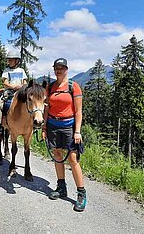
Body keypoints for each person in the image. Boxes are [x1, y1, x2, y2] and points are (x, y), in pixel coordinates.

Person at [42, 57, 87, 212]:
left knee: (73, 159)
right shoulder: (50, 87)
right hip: (53, 125)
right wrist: (43, 127)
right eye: (56, 68)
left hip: (69, 126)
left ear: (66, 69)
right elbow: (47, 109)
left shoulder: (74, 87)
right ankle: (61, 187)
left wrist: (77, 131)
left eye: (61, 68)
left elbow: (79, 111)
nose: (58, 70)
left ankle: (81, 193)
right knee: (57, 155)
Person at [0, 50, 27, 132]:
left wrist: (22, 87)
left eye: (11, 60)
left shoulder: (21, 71)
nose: (9, 62)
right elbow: (5, 83)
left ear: (17, 61)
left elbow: (25, 82)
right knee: (0, 104)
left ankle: (31, 123)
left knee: (30, 102)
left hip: (20, 91)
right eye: (8, 60)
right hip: (9, 91)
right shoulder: (6, 70)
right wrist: (13, 87)